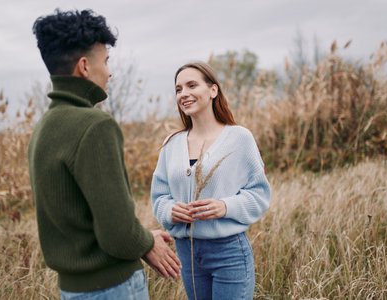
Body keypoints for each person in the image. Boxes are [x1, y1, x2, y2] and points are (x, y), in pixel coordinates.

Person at [28, 9, 181, 299]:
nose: (110, 72)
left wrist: (144, 238)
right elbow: (118, 234)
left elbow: (82, 216)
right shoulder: (95, 125)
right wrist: (146, 244)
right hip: (113, 288)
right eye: (106, 61)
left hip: (73, 290)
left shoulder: (43, 129)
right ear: (84, 67)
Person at [151, 61, 271, 300]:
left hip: (228, 252)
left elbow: (259, 194)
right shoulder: (171, 144)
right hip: (187, 253)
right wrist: (171, 210)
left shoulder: (239, 138)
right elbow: (159, 197)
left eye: (191, 85)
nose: (184, 93)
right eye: (178, 89)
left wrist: (225, 206)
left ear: (213, 90)